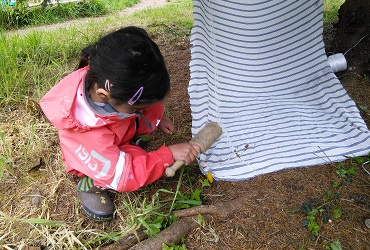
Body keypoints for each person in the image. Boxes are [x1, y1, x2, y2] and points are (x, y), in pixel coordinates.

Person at [39, 26, 200, 221]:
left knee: (138, 143)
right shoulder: (90, 134)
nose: (142, 111)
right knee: (133, 165)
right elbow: (125, 176)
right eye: (137, 109)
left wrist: (157, 119)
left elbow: (144, 105)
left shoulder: (113, 79)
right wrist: (166, 155)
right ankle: (90, 184)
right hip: (99, 156)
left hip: (118, 131)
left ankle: (132, 141)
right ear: (104, 97)